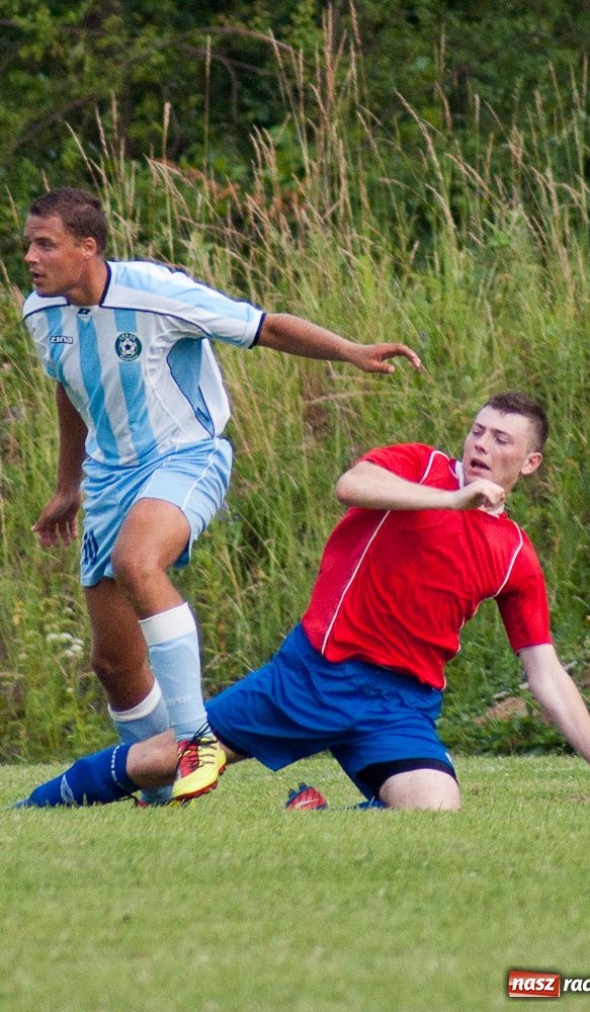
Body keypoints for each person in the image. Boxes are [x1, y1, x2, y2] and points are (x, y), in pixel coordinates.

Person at [16, 392, 590, 811]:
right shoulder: (419, 468)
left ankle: (315, 812)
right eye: (477, 430)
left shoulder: (514, 555)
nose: (480, 444)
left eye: (501, 440)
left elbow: (543, 672)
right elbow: (351, 484)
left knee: (434, 808)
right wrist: (450, 500)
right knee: (166, 761)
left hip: (399, 705)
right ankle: (30, 814)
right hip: (312, 676)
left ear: (529, 464)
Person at [21, 187, 421, 805]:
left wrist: (350, 351)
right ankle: (159, 790)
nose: (31, 256)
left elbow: (264, 326)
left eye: (45, 243)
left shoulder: (156, 293)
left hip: (187, 455)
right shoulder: (39, 313)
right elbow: (71, 388)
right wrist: (67, 484)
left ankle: (197, 740)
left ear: (87, 247)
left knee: (138, 562)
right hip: (106, 478)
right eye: (28, 243)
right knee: (114, 666)